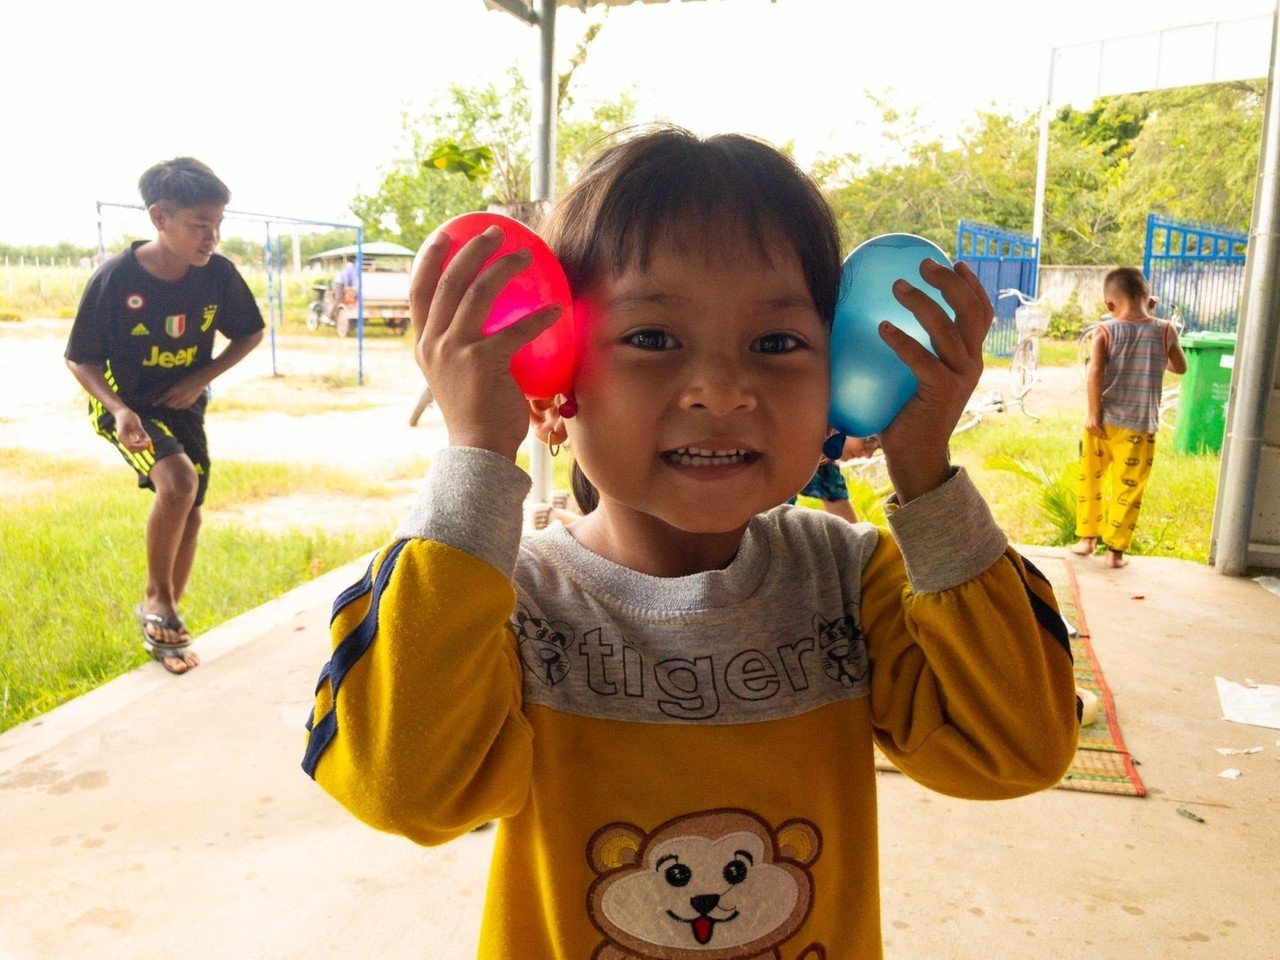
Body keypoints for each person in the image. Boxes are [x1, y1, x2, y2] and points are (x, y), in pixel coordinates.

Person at [302, 128, 1078, 958]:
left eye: (777, 344)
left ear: (844, 379)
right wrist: (476, 463)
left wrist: (923, 469)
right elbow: (405, 788)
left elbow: (1018, 748)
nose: (720, 390)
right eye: (653, 339)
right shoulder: (503, 602)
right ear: (552, 376)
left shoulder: (851, 583)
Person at [64, 157, 264, 673]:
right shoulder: (114, 280)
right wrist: (119, 409)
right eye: (200, 225)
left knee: (189, 507)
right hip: (124, 403)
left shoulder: (218, 276)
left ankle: (166, 627)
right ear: (160, 217)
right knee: (176, 483)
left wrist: (202, 377)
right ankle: (158, 601)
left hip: (183, 405)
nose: (212, 237)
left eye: (217, 224)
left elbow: (250, 332)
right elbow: (78, 356)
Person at [1071, 267, 1187, 569]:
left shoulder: (1105, 331)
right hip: (1139, 427)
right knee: (1129, 488)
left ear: (1110, 305)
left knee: (1091, 480)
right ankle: (1115, 553)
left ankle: (1087, 540)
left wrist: (1093, 413)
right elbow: (1180, 367)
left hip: (1101, 423)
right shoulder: (1164, 330)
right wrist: (1158, 340)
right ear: (1150, 299)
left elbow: (1094, 371)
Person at [790, 435, 881, 521]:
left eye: (877, 448)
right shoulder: (793, 439)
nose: (867, 455)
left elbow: (848, 527)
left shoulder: (825, 469)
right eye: (869, 440)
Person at [330, 255, 359, 321]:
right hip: (339, 283)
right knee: (339, 298)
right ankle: (331, 315)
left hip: (343, 283)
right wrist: (346, 286)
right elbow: (346, 277)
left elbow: (354, 279)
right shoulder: (350, 267)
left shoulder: (353, 268)